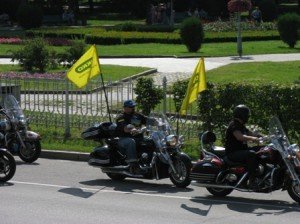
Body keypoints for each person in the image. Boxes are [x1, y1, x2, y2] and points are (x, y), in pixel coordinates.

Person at [225, 104, 262, 188]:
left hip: (241, 151)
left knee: (261, 149)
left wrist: (265, 137)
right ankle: (252, 180)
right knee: (251, 154)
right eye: (247, 115)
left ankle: (261, 173)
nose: (248, 117)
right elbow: (240, 137)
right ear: (242, 115)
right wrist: (254, 138)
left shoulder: (241, 125)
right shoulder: (234, 124)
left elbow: (252, 133)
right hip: (233, 153)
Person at [116, 100, 157, 174]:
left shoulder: (137, 115)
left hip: (139, 138)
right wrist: (131, 128)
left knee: (151, 141)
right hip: (124, 139)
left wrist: (158, 122)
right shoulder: (121, 117)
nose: (133, 108)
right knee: (131, 142)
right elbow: (124, 128)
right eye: (130, 107)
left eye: (133, 106)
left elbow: (147, 120)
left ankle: (150, 161)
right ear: (125, 108)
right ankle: (133, 165)